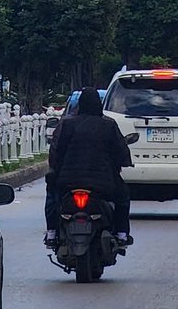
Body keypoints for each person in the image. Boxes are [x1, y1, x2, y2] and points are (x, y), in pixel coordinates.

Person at [43, 87, 133, 248]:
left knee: (52, 196)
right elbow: (121, 151)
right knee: (122, 198)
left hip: (68, 181)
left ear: (80, 104)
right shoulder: (108, 125)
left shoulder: (67, 124)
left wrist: (55, 171)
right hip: (102, 183)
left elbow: (56, 151)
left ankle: (51, 232)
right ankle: (121, 234)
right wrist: (124, 162)